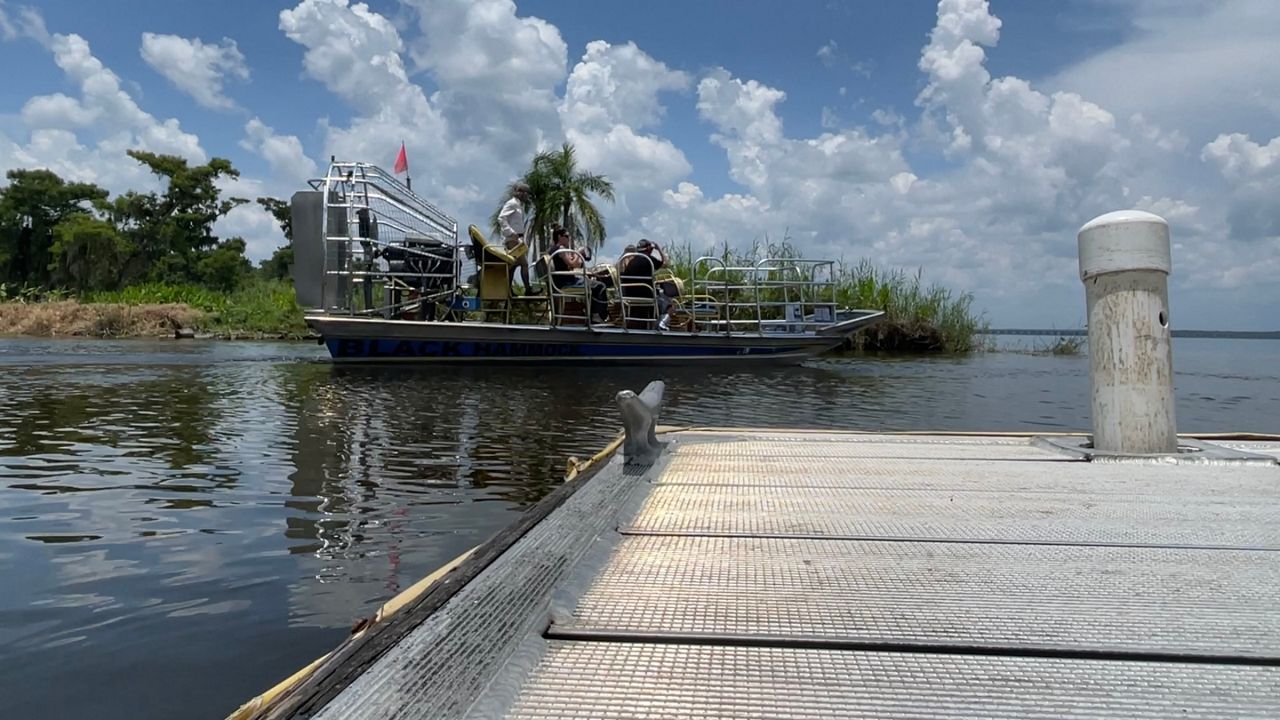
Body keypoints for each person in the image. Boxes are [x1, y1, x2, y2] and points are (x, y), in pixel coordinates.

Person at [549, 227, 608, 322]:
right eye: (566, 236)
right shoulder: (560, 248)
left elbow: (574, 265)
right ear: (559, 237)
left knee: (592, 285)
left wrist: (577, 257)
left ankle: (593, 314)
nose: (568, 238)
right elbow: (573, 264)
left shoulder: (553, 250)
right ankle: (598, 315)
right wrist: (578, 253)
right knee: (600, 286)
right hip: (566, 282)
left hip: (562, 281)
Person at [619, 239, 677, 329]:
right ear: (649, 249)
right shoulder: (648, 260)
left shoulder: (631, 262)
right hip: (646, 296)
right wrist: (659, 249)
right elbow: (665, 263)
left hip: (629, 296)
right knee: (670, 304)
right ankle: (662, 324)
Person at [497, 182, 534, 294]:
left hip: (518, 239)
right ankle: (528, 290)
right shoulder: (512, 203)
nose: (526, 196)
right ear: (520, 192)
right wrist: (511, 232)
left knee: (513, 265)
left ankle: (509, 290)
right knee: (524, 264)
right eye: (526, 193)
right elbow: (501, 218)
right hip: (513, 240)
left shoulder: (519, 205)